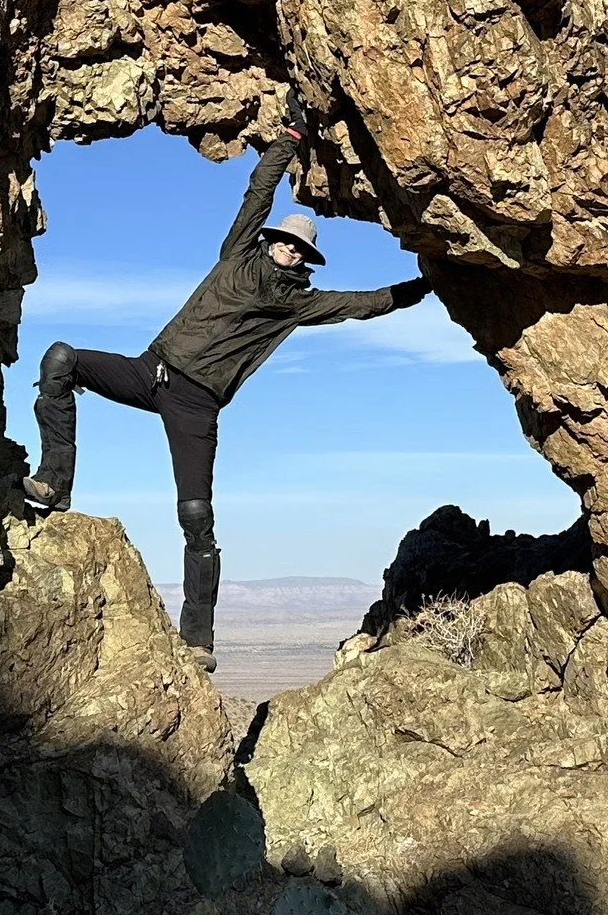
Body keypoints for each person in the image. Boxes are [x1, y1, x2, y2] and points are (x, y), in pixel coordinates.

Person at [23, 94, 434, 670]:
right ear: (270, 240)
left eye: (301, 249)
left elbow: (363, 304)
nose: (290, 250)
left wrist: (422, 285)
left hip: (196, 406)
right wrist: (289, 137)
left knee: (196, 515)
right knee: (61, 358)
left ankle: (199, 638)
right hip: (151, 372)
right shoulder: (236, 254)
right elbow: (258, 192)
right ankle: (54, 480)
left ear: (308, 261)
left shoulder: (300, 304)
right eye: (285, 241)